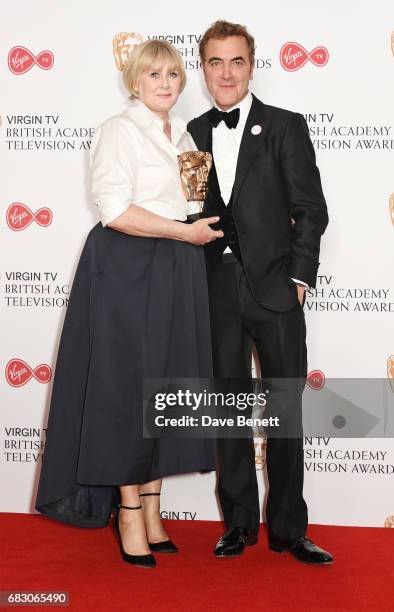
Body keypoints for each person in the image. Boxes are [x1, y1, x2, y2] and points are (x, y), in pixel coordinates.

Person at [35, 39, 223, 569]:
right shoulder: (118, 131)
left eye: (173, 75)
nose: (165, 83)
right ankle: (128, 513)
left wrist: (193, 234)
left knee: (165, 388)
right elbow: (115, 210)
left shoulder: (184, 135)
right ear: (134, 81)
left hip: (175, 267)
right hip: (127, 265)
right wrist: (184, 235)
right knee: (127, 388)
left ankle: (155, 511)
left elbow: (188, 206)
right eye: (154, 74)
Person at [188, 20, 333, 564]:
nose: (226, 73)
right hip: (215, 288)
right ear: (203, 70)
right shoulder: (191, 134)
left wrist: (299, 278)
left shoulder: (284, 126)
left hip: (277, 290)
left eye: (237, 61)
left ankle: (290, 530)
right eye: (215, 63)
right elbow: (188, 212)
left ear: (253, 65)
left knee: (284, 413)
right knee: (227, 408)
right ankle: (238, 525)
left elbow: (311, 209)